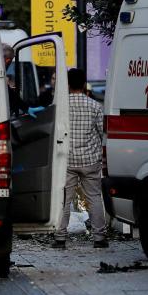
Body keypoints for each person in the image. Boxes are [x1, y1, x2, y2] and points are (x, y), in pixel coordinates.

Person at [53, 67, 109, 249]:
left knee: (64, 199)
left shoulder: (60, 107)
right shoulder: (95, 106)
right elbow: (102, 134)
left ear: (67, 85)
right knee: (94, 197)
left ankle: (60, 237)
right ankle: (99, 238)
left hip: (66, 161)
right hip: (90, 160)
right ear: (84, 84)